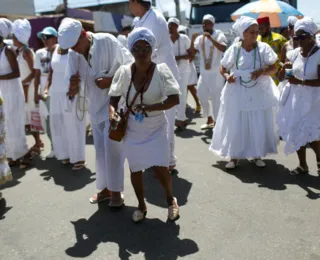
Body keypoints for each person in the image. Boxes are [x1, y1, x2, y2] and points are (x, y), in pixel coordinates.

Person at [58, 18, 133, 205]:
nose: (74, 49)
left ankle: (116, 192)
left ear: (84, 34)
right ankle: (105, 189)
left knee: (112, 149)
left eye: (75, 45)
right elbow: (70, 83)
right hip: (94, 107)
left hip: (114, 104)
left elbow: (130, 66)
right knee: (100, 152)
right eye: (70, 48)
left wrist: (110, 80)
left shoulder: (107, 41)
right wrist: (72, 86)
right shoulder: (74, 54)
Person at [109, 27, 180, 222]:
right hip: (132, 128)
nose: (141, 52)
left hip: (156, 127)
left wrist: (150, 107)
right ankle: (141, 205)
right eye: (137, 47)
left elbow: (174, 99)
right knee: (135, 168)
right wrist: (113, 114)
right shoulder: (124, 72)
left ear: (152, 49)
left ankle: (170, 200)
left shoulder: (162, 70)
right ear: (131, 50)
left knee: (160, 168)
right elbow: (113, 98)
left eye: (145, 47)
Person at [209, 16, 279, 169]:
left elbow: (275, 67)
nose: (255, 35)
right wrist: (227, 76)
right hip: (237, 90)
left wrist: (261, 71)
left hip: (258, 91)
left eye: (256, 32)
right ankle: (234, 157)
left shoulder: (263, 48)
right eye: (252, 32)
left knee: (257, 120)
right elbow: (223, 67)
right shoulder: (234, 49)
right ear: (243, 33)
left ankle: (256, 154)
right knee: (236, 122)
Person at [129, 0, 180, 174]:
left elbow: (150, 50)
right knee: (152, 119)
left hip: (161, 76)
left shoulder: (154, 19)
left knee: (165, 120)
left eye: (130, 2)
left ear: (136, 2)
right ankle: (157, 158)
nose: (129, 6)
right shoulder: (141, 20)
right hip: (148, 75)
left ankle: (168, 160)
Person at [277, 17, 320, 175]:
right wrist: (285, 69)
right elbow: (282, 78)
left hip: (314, 100)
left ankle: (319, 161)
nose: (298, 40)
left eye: (302, 37)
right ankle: (303, 165)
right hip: (296, 99)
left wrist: (300, 81)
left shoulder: (318, 54)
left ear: (311, 36)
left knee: (312, 134)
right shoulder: (293, 54)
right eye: (296, 37)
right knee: (296, 131)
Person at [43, 43, 86, 171]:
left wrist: (75, 88)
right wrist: (46, 88)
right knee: (58, 124)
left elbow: (80, 71)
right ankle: (65, 154)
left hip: (70, 92)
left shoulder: (76, 49)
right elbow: (51, 71)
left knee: (73, 125)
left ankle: (78, 158)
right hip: (55, 93)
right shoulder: (55, 48)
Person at [0, 18, 30, 169]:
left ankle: (24, 155)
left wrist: (1, 77)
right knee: (5, 124)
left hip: (12, 90)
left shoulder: (8, 50)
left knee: (15, 124)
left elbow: (16, 73)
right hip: (2, 91)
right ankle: (12, 156)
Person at [190, 14, 227, 130]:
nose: (204, 25)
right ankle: (209, 118)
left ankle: (217, 123)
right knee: (201, 95)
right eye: (203, 23)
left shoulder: (219, 34)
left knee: (216, 99)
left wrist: (211, 39)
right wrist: (192, 40)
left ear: (212, 24)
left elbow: (224, 48)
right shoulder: (200, 38)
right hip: (204, 74)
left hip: (216, 74)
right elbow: (191, 54)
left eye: (206, 23)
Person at [13, 19, 43, 156]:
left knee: (31, 118)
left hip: (29, 89)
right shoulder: (18, 52)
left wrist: (24, 82)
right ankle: (38, 141)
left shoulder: (26, 51)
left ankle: (38, 142)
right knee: (26, 119)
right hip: (22, 88)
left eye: (14, 36)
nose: (12, 39)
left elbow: (35, 71)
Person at [34, 27, 58, 159]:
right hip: (44, 92)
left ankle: (62, 147)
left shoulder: (60, 51)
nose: (45, 40)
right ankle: (54, 147)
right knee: (47, 121)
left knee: (58, 120)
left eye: (48, 37)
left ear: (55, 38)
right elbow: (37, 74)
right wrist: (36, 92)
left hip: (57, 90)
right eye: (43, 37)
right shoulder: (39, 53)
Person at [168, 17, 191, 128]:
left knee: (182, 94)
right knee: (171, 94)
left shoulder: (184, 38)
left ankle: (181, 119)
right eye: (169, 25)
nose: (170, 27)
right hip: (170, 72)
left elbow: (191, 55)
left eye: (172, 25)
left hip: (183, 71)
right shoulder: (166, 39)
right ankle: (178, 118)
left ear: (177, 27)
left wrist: (179, 57)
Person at [257, 16, 287, 84]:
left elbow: (287, 57)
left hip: (277, 77)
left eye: (262, 28)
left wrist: (282, 69)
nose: (260, 30)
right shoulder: (257, 40)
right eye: (258, 28)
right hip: (262, 77)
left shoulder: (279, 39)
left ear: (268, 26)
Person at [178, 25, 201, 113]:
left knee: (190, 87)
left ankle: (198, 104)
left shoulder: (187, 41)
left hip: (189, 68)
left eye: (182, 33)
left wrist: (192, 40)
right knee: (183, 88)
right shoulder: (176, 43)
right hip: (181, 69)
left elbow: (191, 56)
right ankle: (184, 104)